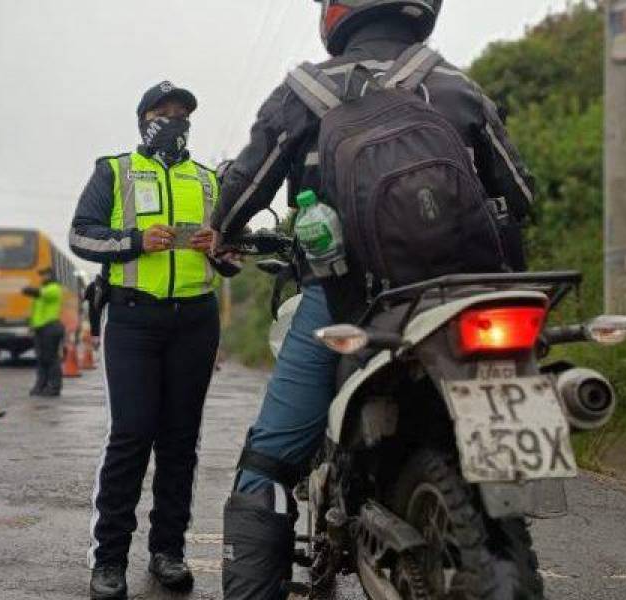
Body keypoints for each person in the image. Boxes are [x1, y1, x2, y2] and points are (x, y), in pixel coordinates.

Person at [208, 1, 537, 597]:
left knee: (269, 460)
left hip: (349, 299)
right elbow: (519, 192)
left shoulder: (306, 90)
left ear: (339, 13)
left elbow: (240, 194)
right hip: (470, 299)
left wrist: (224, 234)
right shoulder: (455, 83)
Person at [68, 80, 239, 600]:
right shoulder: (114, 171)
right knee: (132, 434)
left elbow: (233, 260)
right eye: (164, 112)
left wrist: (219, 247)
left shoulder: (209, 180)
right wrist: (135, 242)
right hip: (132, 320)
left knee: (181, 440)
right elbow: (80, 234)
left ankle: (169, 551)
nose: (174, 120)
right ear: (144, 119)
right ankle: (109, 559)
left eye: (183, 113)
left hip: (195, 320)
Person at [22, 267, 64, 397]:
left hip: (50, 327)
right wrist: (31, 325)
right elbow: (35, 310)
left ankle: (54, 387)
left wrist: (27, 289)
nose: (43, 277)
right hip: (41, 328)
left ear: (51, 275)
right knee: (41, 359)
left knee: (51, 359)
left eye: (45, 275)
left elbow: (39, 293)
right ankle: (41, 385)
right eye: (42, 275)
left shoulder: (54, 288)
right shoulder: (43, 290)